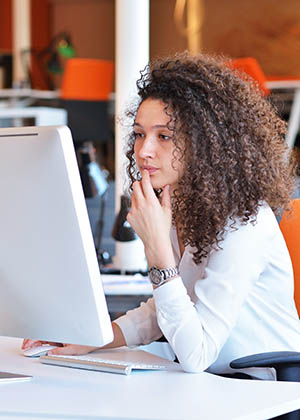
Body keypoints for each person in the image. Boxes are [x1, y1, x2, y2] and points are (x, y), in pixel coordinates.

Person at [23, 52, 300, 379]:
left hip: (264, 389)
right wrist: (93, 338)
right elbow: (164, 310)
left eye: (164, 136)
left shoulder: (243, 221)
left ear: (206, 143)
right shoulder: (181, 205)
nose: (144, 151)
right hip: (213, 386)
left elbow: (196, 354)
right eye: (140, 134)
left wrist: (157, 249)